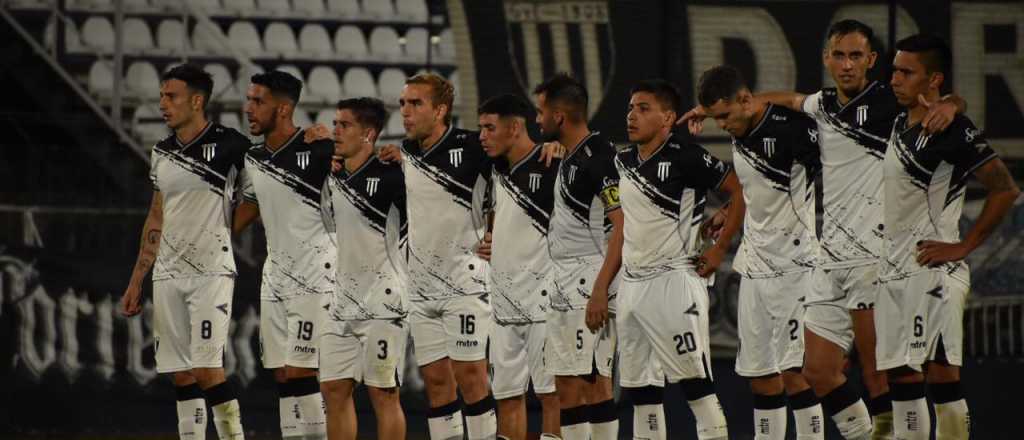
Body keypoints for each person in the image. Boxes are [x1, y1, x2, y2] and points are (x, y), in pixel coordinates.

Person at [682, 19, 964, 440]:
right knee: (816, 371)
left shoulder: (890, 101)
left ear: (870, 60)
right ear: (826, 58)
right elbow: (793, 99)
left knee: (880, 375)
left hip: (874, 255)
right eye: (838, 55)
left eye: (855, 55)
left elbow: (938, 102)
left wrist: (953, 104)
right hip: (831, 260)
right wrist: (723, 107)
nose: (846, 64)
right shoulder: (824, 105)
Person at [879, 34, 1019, 440]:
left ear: (933, 78)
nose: (895, 79)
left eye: (907, 72)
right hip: (893, 271)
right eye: (894, 70)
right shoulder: (896, 119)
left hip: (932, 273)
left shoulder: (952, 128)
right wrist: (954, 99)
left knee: (942, 377)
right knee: (902, 380)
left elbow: (1005, 189)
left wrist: (963, 246)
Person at [696, 65, 826, 440]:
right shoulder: (740, 125)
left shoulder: (795, 130)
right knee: (760, 378)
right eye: (714, 117)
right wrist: (726, 212)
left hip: (795, 267)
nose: (720, 125)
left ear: (745, 100)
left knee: (796, 375)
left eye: (723, 116)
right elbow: (750, 192)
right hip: (755, 268)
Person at [120, 64, 249, 440]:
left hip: (211, 273)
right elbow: (157, 214)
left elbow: (258, 196)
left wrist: (224, 231)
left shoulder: (232, 145)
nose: (162, 103)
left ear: (196, 101)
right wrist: (136, 280)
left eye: (170, 96)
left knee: (209, 370)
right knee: (181, 374)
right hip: (168, 274)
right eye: (161, 95)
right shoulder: (161, 152)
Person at [615, 79, 739, 440]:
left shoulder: (686, 155)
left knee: (695, 386)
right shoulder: (622, 160)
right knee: (642, 393)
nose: (632, 116)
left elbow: (739, 191)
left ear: (668, 117)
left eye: (643, 108)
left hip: (674, 282)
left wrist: (718, 249)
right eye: (630, 108)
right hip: (632, 286)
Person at [378, 73, 497, 440]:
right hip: (422, 287)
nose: (406, 112)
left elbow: (511, 181)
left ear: (441, 110)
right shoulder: (407, 152)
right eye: (402, 104)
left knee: (472, 378)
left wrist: (497, 230)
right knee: (436, 384)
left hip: (465, 283)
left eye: (416, 104)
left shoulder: (475, 146)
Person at [533, 73, 639, 440]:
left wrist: (599, 289)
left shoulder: (600, 159)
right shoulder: (573, 155)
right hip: (565, 284)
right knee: (565, 386)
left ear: (558, 117)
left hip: (590, 283)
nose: (537, 120)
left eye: (540, 112)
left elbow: (622, 228)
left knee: (594, 383)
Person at [239, 70, 335, 440]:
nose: (248, 108)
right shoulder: (255, 158)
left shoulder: (319, 150)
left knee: (301, 371)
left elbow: (367, 175)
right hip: (275, 274)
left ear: (283, 108)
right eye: (248, 99)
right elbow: (250, 207)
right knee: (281, 373)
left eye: (257, 101)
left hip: (315, 275)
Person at [319, 97, 409, 440]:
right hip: (341, 301)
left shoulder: (393, 177)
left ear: (368, 134)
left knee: (384, 394)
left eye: (345, 125)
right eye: (335, 123)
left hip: (382, 304)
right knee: (333, 391)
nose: (336, 130)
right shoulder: (331, 175)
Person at [474, 94, 561, 440]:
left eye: (489, 128)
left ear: (514, 128)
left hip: (545, 303)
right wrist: (495, 238)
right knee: (506, 396)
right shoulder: (495, 169)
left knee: (551, 395)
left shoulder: (554, 165)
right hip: (504, 303)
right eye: (481, 128)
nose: (482, 135)